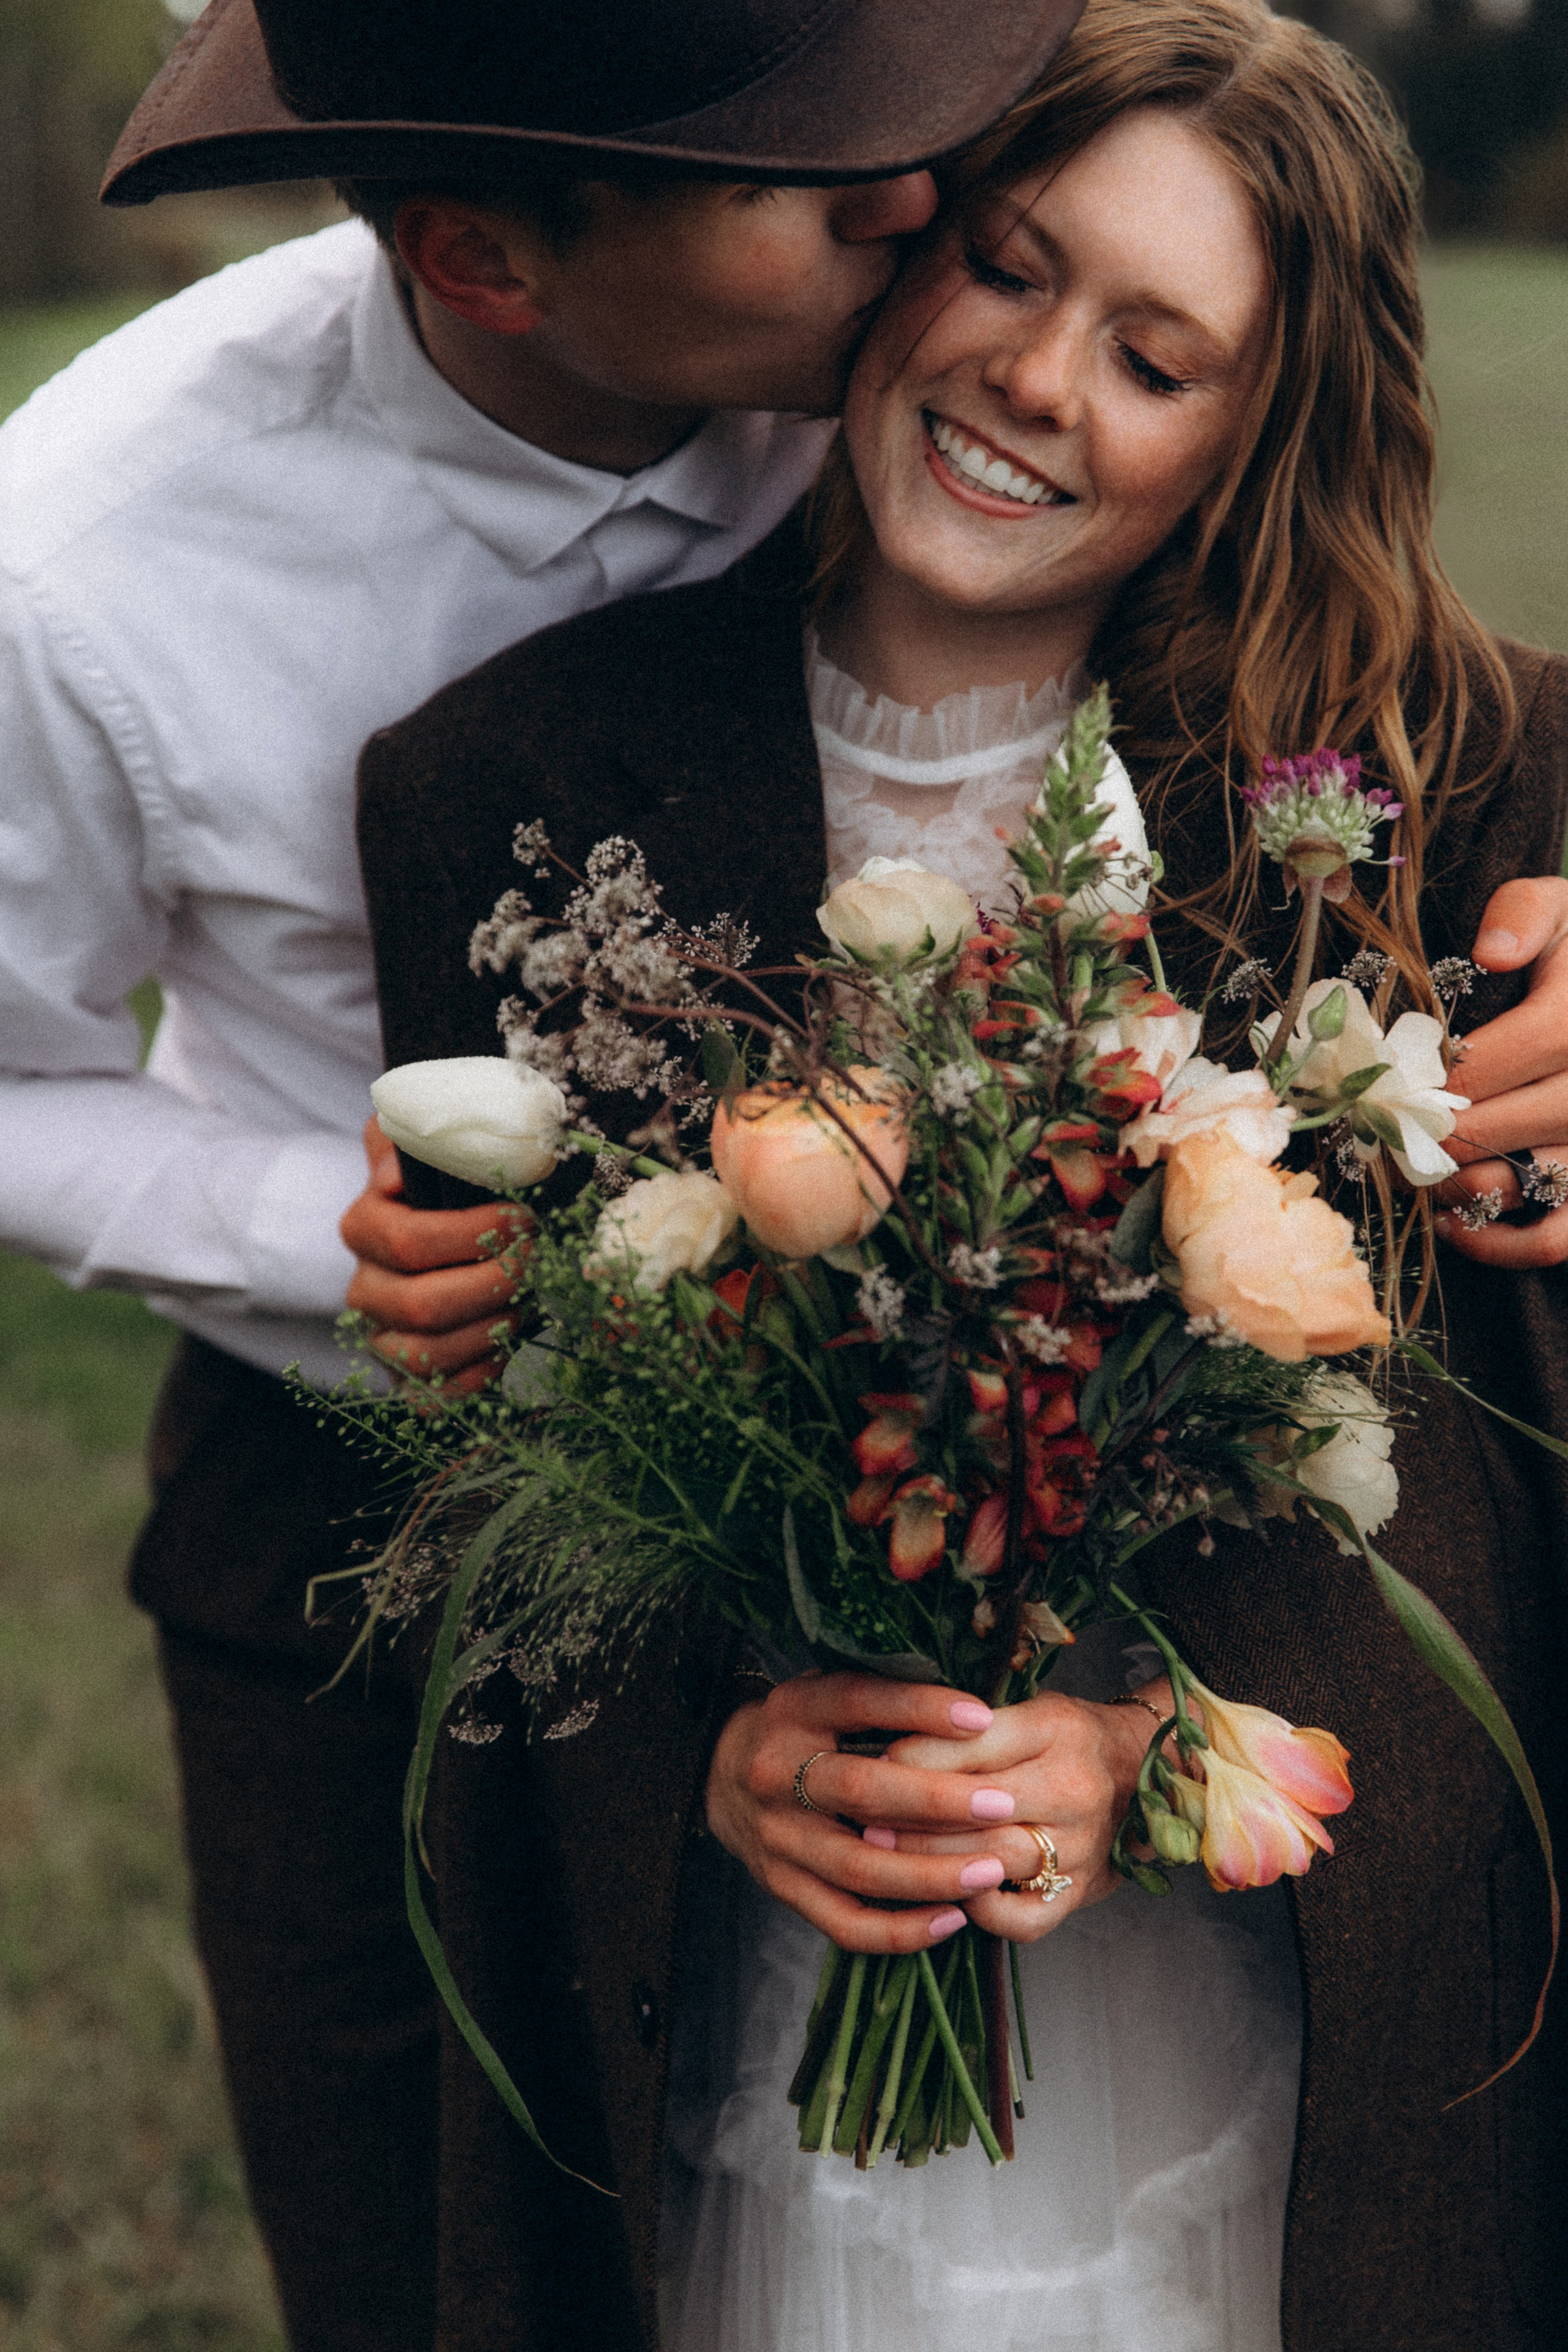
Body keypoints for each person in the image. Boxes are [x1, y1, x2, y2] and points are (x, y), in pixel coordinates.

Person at [355, 4, 1567, 2347]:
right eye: (1012, 266)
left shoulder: (1451, 784)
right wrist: (716, 1744)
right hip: (763, 2016)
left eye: (1156, 354)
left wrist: (1171, 1750)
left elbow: (1487, 1461)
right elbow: (495, 1512)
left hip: (1276, 2050)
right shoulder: (507, 788)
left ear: (1250, 438)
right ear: (899, 236)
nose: (1036, 379)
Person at [0, 2, 1104, 2344]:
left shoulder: (955, 354)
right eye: (812, 186)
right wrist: (319, 1225)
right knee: (451, 2270)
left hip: (952, 1470)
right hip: (370, 1553)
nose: (920, 204)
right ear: (484, 257)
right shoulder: (86, 568)